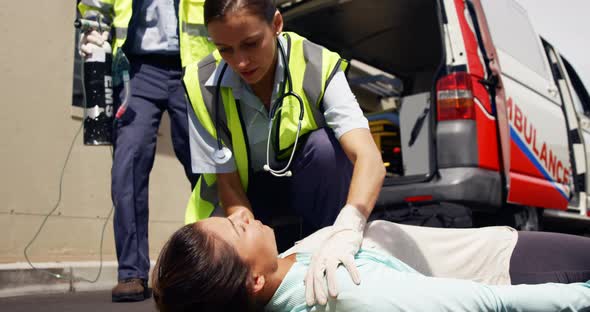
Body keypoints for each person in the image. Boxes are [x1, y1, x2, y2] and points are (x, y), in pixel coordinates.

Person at [183, 0, 385, 305]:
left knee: (325, 150)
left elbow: (368, 157)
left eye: (250, 44)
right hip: (246, 197)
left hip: (308, 188)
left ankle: (332, 264)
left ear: (277, 24)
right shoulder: (200, 84)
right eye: (225, 49)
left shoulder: (318, 64)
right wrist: (245, 246)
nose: (240, 63)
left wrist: (349, 227)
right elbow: (227, 183)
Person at [151, 209, 590, 312]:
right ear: (252, 282)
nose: (241, 213)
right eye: (238, 229)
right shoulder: (342, 292)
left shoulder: (284, 272)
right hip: (505, 270)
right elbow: (489, 302)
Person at [77, 0, 216, 302]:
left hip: (193, 66)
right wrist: (93, 37)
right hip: (137, 69)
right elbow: (95, 5)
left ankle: (214, 264)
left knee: (205, 166)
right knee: (127, 164)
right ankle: (132, 272)